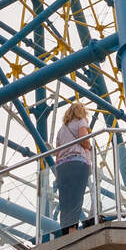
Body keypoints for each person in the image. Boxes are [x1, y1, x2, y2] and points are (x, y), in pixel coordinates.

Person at [53, 100, 94, 234]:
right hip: (78, 162)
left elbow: (57, 153)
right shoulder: (81, 122)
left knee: (65, 200)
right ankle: (72, 229)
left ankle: (65, 230)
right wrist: (89, 146)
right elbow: (83, 139)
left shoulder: (61, 130)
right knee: (76, 197)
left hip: (62, 167)